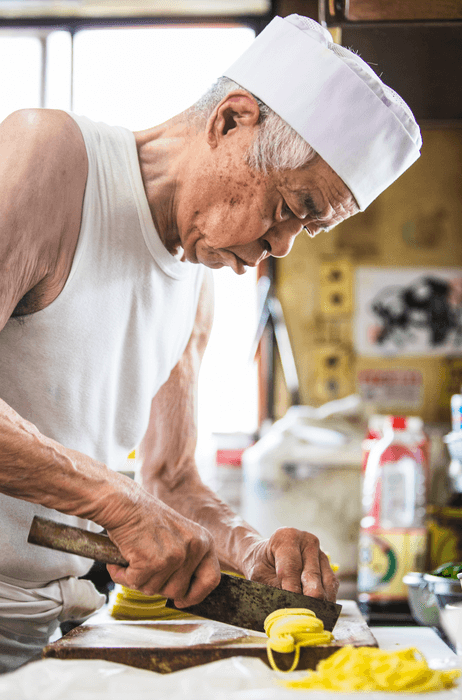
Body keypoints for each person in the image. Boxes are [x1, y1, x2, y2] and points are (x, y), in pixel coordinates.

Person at [0, 14, 421, 672]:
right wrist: (114, 501)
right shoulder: (49, 156)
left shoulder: (196, 277)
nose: (279, 246)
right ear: (231, 121)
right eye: (291, 207)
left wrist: (253, 554)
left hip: (65, 623)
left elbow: (169, 480)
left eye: (306, 231)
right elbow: (133, 497)